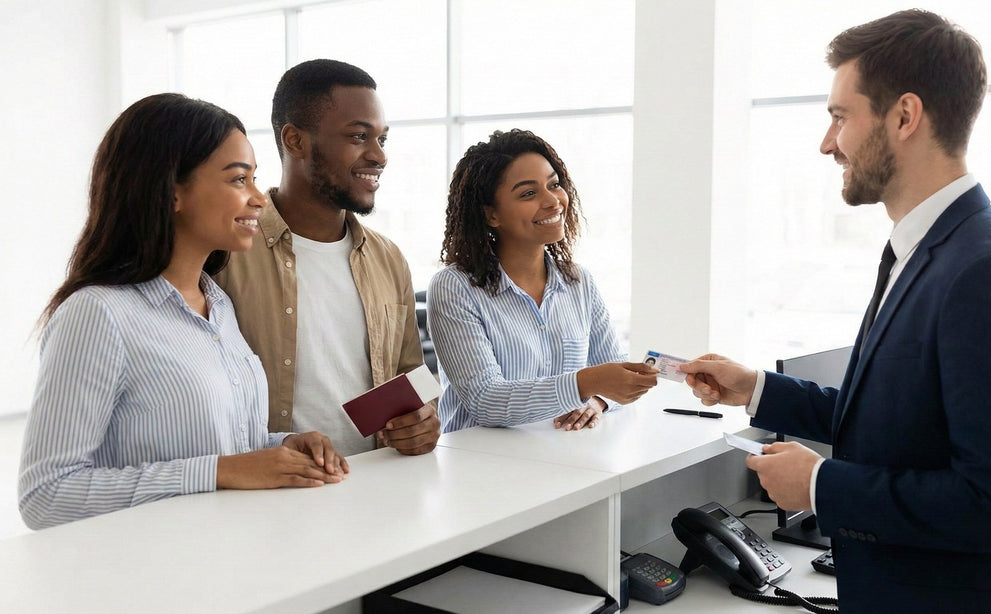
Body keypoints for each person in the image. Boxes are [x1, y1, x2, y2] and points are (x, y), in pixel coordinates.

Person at [680, 10, 991, 613]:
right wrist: (756, 388)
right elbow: (892, 421)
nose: (827, 142)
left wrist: (818, 484)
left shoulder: (990, 274)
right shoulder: (918, 251)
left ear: (904, 116)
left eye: (840, 117)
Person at [19, 94, 348, 530]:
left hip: (231, 563)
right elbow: (45, 495)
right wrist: (219, 471)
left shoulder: (218, 304)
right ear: (171, 192)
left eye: (254, 179)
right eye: (238, 180)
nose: (258, 199)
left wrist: (283, 447)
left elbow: (217, 446)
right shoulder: (97, 315)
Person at [214, 59, 440, 457]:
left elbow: (412, 377)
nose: (379, 156)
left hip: (374, 488)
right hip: (269, 497)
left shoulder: (388, 259)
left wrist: (422, 420)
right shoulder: (226, 252)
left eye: (381, 140)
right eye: (358, 137)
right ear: (295, 141)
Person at [428, 129, 658, 433]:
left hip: (564, 460)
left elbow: (613, 367)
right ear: (491, 215)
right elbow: (486, 401)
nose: (553, 201)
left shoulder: (579, 283)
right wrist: (586, 383)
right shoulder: (454, 287)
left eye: (554, 185)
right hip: (479, 466)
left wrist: (598, 400)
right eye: (528, 193)